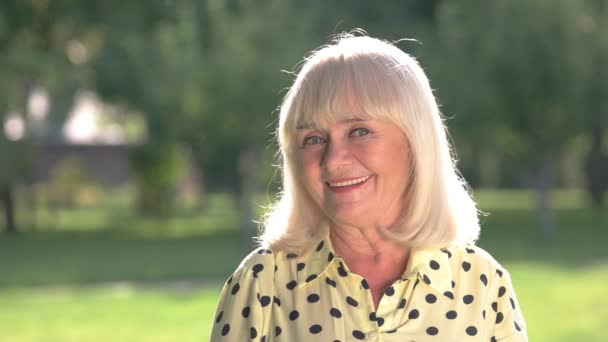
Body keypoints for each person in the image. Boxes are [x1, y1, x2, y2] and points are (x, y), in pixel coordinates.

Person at [210, 33, 527, 341]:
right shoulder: (263, 282)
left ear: (416, 142)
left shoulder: (482, 284)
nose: (333, 160)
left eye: (359, 131)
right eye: (314, 139)